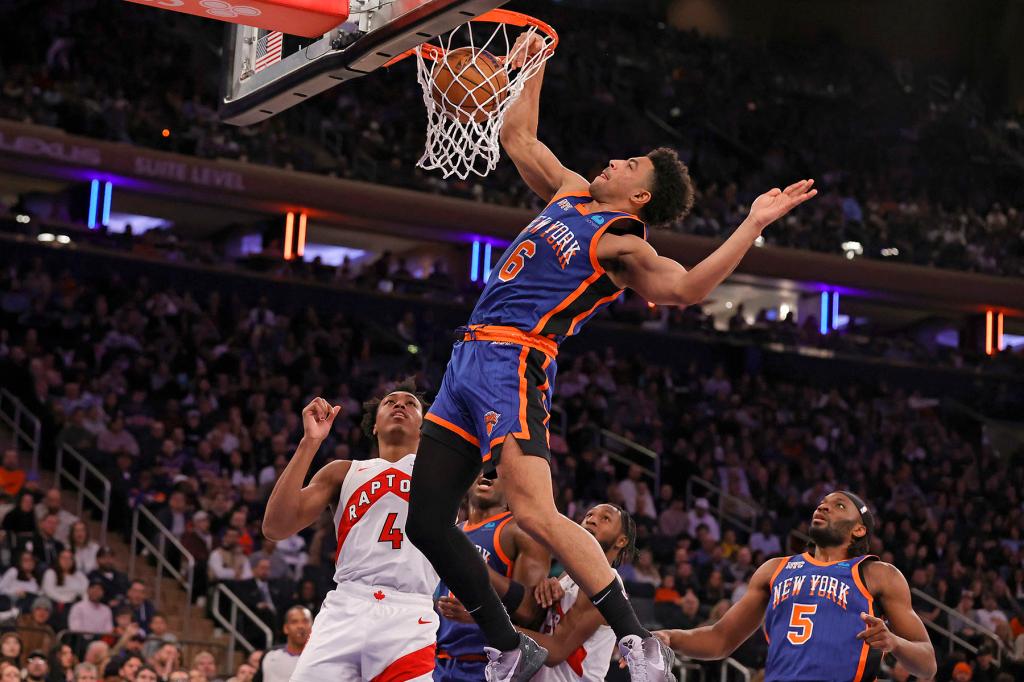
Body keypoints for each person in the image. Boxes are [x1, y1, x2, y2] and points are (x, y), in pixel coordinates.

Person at [404, 30, 817, 682]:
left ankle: (635, 639)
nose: (613, 164)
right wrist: (534, 59)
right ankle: (508, 643)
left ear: (641, 198)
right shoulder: (570, 192)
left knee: (534, 510)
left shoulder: (620, 242)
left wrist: (752, 224)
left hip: (516, 360)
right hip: (468, 357)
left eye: (628, 166)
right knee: (426, 520)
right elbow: (517, 136)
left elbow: (684, 289)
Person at [653, 491, 937, 680]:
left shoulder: (878, 574)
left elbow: (927, 664)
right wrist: (670, 637)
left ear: (859, 529)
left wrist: (894, 642)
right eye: (822, 502)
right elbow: (720, 639)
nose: (824, 506)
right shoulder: (775, 569)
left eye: (839, 505)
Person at [262, 382, 439, 680]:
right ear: (374, 427)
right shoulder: (343, 471)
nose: (399, 405)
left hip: (410, 611)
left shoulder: (444, 472)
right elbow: (276, 527)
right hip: (347, 605)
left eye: (410, 404)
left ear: (424, 426)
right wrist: (310, 442)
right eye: (390, 402)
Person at [433, 474, 550, 681]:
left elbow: (530, 612)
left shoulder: (520, 531)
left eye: (497, 470)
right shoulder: (451, 532)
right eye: (481, 467)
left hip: (489, 665)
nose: (488, 474)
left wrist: (476, 565)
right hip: (440, 661)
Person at [254, 606, 312, 682]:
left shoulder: (321, 658)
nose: (300, 626)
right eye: (294, 622)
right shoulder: (269, 655)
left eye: (305, 621)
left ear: (313, 627)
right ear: (286, 628)